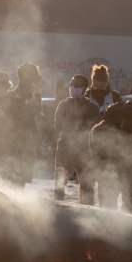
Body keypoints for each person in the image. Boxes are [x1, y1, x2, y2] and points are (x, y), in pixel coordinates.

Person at [89, 98, 132, 214]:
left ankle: (106, 226)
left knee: (107, 204)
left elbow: (96, 151)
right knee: (131, 206)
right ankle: (128, 227)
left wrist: (100, 170)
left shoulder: (104, 124)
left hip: (109, 167)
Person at [53, 75, 99, 204]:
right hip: (64, 148)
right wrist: (71, 117)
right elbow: (57, 126)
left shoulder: (92, 107)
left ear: (85, 89)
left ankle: (88, 213)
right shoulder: (63, 104)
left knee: (87, 185)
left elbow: (93, 129)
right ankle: (57, 211)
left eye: (78, 85)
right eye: (72, 84)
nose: (74, 88)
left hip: (84, 149)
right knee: (59, 185)